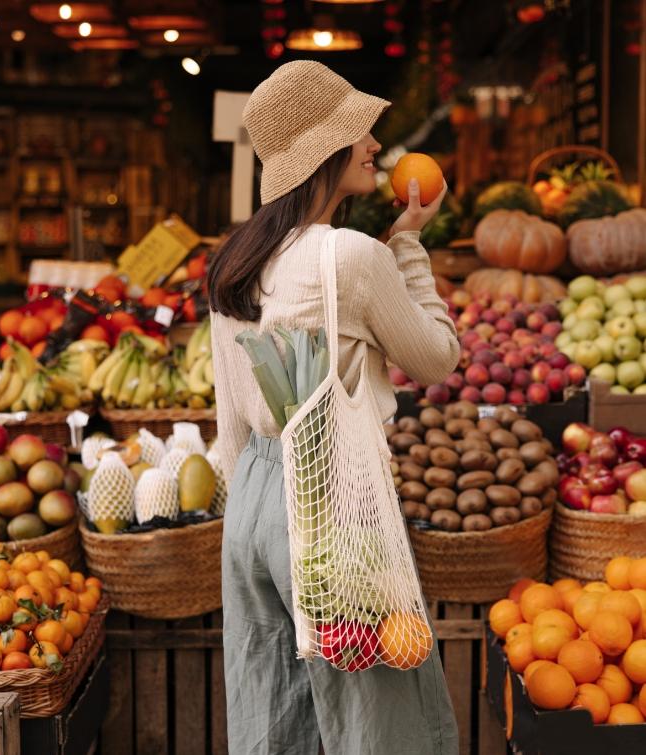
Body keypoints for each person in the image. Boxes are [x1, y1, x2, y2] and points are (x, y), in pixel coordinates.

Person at [207, 61, 461, 755]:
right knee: (377, 721)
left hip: (254, 502)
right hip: (330, 496)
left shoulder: (233, 261)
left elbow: (229, 413)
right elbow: (438, 356)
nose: (376, 144)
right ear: (324, 154)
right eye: (358, 133)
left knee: (273, 709)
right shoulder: (352, 257)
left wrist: (252, 514)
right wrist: (408, 242)